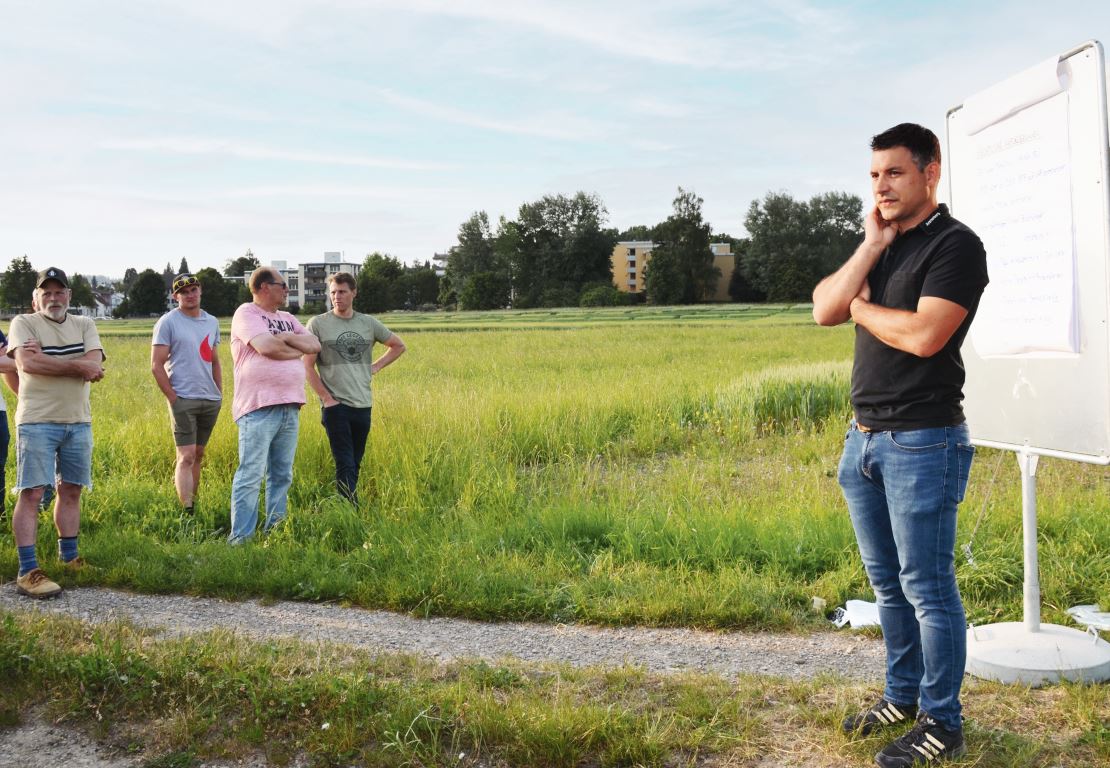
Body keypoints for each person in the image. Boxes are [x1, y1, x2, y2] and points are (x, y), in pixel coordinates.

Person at [812, 123, 988, 768]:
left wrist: (860, 309)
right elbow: (822, 307)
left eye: (895, 173)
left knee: (928, 588)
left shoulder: (957, 246)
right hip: (863, 442)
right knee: (887, 585)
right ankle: (901, 696)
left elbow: (922, 337)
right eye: (875, 175)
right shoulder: (881, 245)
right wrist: (870, 245)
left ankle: (944, 723)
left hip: (924, 441)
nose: (882, 186)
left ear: (930, 172)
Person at [8, 267, 105, 598]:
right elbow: (27, 364)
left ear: (69, 296)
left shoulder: (85, 324)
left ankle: (69, 558)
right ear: (36, 298)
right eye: (45, 293)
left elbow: (95, 366)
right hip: (37, 421)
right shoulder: (25, 323)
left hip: (78, 420)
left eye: (58, 292)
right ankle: (28, 570)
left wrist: (48, 358)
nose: (52, 298)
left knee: (72, 490)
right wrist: (75, 364)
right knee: (32, 492)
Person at [228, 266, 320, 544]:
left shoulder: (288, 318)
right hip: (258, 408)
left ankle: (275, 533)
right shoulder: (246, 313)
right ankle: (241, 539)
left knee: (282, 474)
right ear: (264, 287)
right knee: (251, 473)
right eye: (283, 285)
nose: (287, 290)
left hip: (290, 406)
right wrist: (295, 350)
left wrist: (288, 338)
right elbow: (268, 348)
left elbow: (315, 344)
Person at [304, 272, 405, 504]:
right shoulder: (317, 324)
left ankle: (346, 506)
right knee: (345, 461)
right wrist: (327, 399)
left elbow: (398, 345)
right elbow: (307, 367)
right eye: (333, 293)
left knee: (355, 461)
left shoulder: (367, 323)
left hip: (363, 404)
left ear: (353, 293)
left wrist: (376, 366)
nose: (336, 297)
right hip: (336, 406)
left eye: (342, 292)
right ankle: (350, 510)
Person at [151, 273, 223, 514]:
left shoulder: (211, 321)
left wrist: (219, 393)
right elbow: (156, 364)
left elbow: (214, 361)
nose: (190, 295)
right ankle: (187, 512)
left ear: (200, 291)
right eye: (184, 292)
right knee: (186, 456)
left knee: (199, 454)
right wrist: (173, 398)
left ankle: (194, 501)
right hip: (183, 398)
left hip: (210, 399)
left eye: (193, 290)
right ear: (175, 296)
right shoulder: (168, 322)